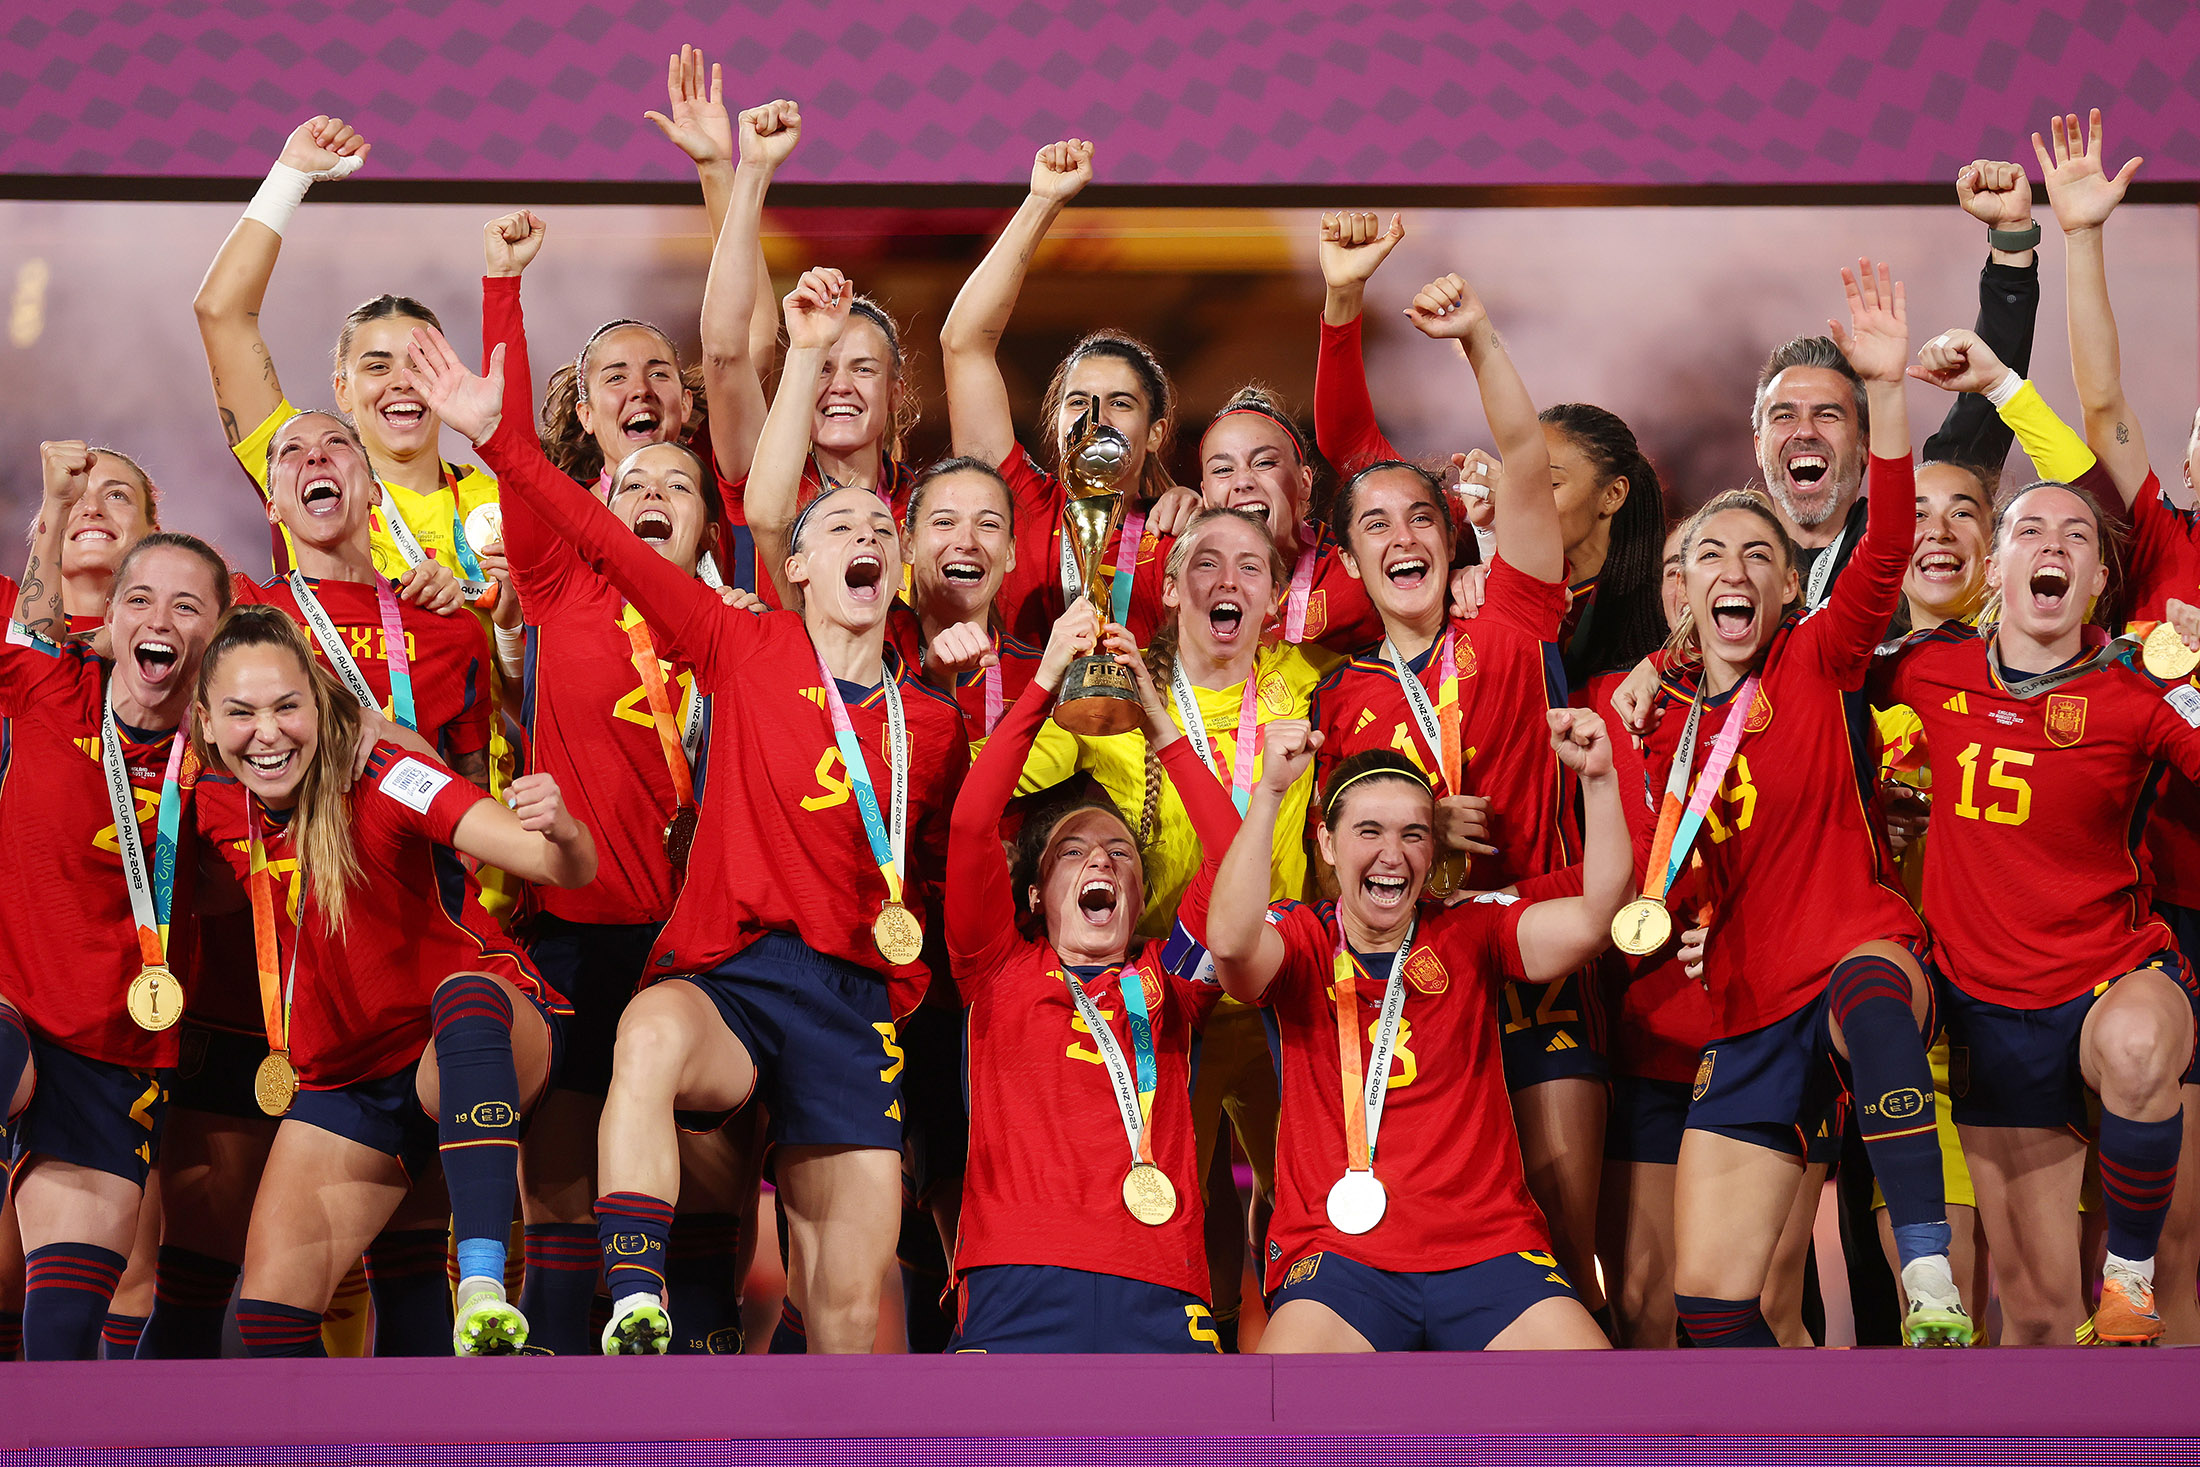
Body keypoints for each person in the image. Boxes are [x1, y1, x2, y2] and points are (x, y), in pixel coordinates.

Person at [404, 321, 972, 1356]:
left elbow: (950, 882)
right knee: (651, 1035)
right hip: (739, 976)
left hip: (854, 1009)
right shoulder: (739, 640)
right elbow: (611, 544)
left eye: (881, 533)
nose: (863, 540)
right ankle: (636, 1301)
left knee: (845, 1316)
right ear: (791, 564)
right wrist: (501, 445)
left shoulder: (932, 725)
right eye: (837, 526)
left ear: (902, 572)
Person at [1611, 260, 1969, 1348]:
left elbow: (1892, 538)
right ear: (1683, 591)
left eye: (1756, 554)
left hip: (1854, 949)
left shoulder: (1817, 660)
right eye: (1707, 553)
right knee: (1712, 1304)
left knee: (1873, 1007)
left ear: (1781, 592)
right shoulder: (1656, 723)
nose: (1731, 568)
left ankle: (1928, 1283)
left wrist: (1888, 390)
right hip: (1749, 1005)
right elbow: (1667, 874)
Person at [1307, 269, 1607, 1315]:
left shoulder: (1514, 623)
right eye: (1376, 526)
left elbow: (1524, 460)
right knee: (1441, 1227)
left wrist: (1477, 336)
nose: (1403, 538)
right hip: (1416, 982)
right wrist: (1420, 830)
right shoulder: (1335, 698)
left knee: (1573, 1236)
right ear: (1351, 558)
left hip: (1537, 950)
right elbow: (1321, 862)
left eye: (1421, 520)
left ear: (1452, 539)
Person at [191, 606, 591, 1356]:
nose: (268, 732)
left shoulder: (386, 773)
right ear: (209, 724)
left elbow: (555, 865)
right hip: (350, 1079)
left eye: (286, 706)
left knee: (462, 995)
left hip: (478, 1034)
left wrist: (563, 831)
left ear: (318, 700)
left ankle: (479, 1286)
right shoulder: (212, 808)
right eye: (241, 713)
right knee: (269, 1320)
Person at [1191, 711, 1625, 1352]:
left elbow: (1596, 918)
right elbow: (1228, 944)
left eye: (1414, 835)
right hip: (1337, 1260)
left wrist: (1601, 779)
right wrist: (1270, 795)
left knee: (1604, 1421)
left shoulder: (1470, 928)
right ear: (1328, 845)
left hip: (1488, 1248)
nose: (1392, 854)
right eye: (1369, 831)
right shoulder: (1302, 939)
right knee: (1281, 1430)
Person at [946, 599, 1239, 1351]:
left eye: (1120, 853)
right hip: (1018, 1273)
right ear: (1037, 894)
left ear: (1140, 896)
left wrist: (1159, 722)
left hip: (1162, 1276)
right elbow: (974, 822)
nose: (1102, 859)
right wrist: (1044, 680)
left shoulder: (1172, 978)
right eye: (1073, 852)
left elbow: (1233, 859)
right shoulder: (996, 965)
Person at [2, 491, 233, 1359]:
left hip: (119, 1056)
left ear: (218, 633)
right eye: (139, 599)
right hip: (14, 1007)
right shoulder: (48, 683)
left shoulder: (230, 760)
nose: (159, 618)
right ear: (105, 625)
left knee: (60, 1337)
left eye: (187, 605)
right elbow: (30, 613)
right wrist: (57, 510)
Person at [1311, 213, 1670, 685]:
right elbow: (1353, 450)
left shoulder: (1672, 604)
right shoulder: (1469, 548)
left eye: (1548, 482)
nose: (1524, 493)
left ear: (1613, 495)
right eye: (1524, 479)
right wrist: (1342, 296)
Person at [194, 115, 499, 593]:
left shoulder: (499, 500)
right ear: (342, 390)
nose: (401, 381)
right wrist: (291, 174)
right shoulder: (305, 469)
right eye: (377, 366)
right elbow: (221, 313)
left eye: (420, 364)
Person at [940, 139, 1199, 648]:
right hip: (1020, 726)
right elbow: (964, 343)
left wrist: (1200, 517)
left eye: (1120, 403)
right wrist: (1041, 203)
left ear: (1156, 433)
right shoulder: (1019, 507)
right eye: (1078, 402)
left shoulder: (1179, 534)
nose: (1095, 418)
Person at [1750, 160, 2039, 609]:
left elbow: (1987, 393)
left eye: (1828, 414)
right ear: (1758, 445)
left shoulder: (1915, 530)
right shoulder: (1730, 559)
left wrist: (2011, 240)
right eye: (1784, 415)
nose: (1804, 430)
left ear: (1867, 446)